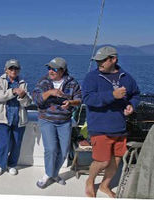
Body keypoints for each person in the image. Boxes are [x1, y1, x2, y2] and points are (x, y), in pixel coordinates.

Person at [82, 46, 140, 197]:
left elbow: (135, 94)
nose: (99, 63)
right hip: (99, 127)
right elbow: (88, 99)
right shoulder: (91, 77)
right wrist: (112, 95)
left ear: (113, 59)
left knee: (116, 160)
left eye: (102, 60)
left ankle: (104, 185)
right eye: (97, 60)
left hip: (119, 127)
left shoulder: (126, 77)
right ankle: (90, 181)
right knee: (102, 161)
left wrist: (131, 106)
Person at [32, 57, 81, 188]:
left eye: (53, 69)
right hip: (47, 120)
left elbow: (79, 100)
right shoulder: (44, 81)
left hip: (64, 121)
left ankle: (54, 173)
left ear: (62, 70)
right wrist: (50, 92)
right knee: (51, 149)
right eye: (49, 68)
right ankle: (47, 175)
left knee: (64, 151)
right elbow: (36, 100)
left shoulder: (72, 83)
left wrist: (70, 103)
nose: (50, 71)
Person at [0, 59, 32, 176]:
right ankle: (1, 164)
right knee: (4, 143)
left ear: (19, 70)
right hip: (2, 118)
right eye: (11, 68)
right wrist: (13, 91)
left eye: (16, 68)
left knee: (17, 143)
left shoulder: (23, 83)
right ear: (6, 70)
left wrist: (23, 96)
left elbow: (27, 103)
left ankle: (12, 164)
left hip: (18, 119)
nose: (13, 70)